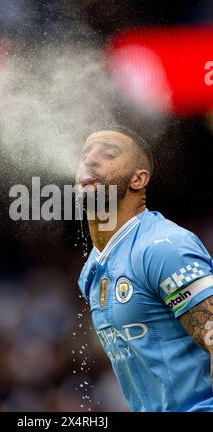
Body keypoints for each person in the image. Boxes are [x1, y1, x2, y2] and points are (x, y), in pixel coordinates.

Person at [76, 126, 213, 412]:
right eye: (85, 154)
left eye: (108, 154)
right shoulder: (91, 269)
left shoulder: (163, 247)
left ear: (138, 179)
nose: (90, 160)